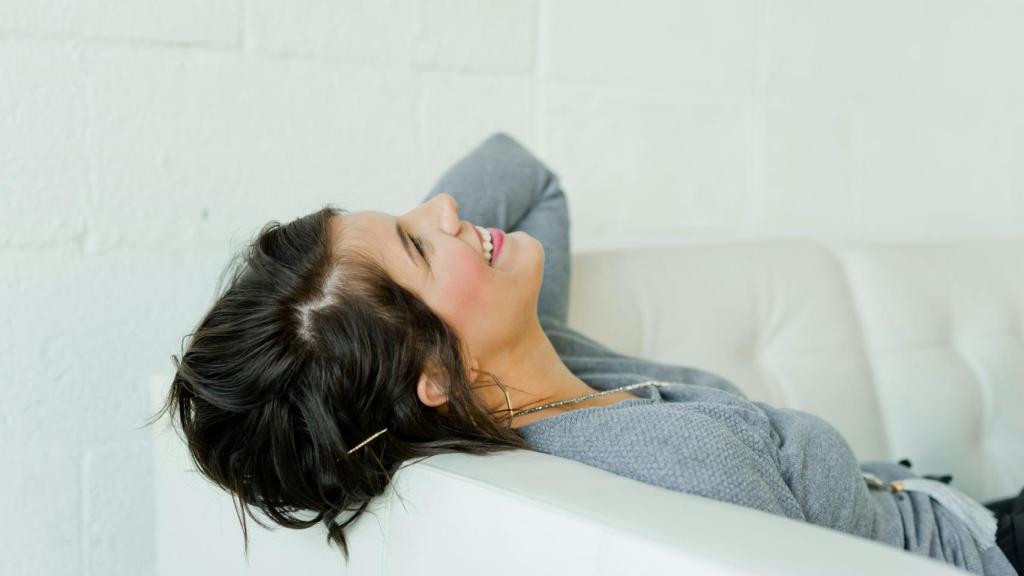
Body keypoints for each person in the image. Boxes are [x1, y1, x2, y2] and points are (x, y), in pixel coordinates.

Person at [155, 133, 1020, 575]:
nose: (447, 206)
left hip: (957, 500)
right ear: (425, 375)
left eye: (412, 214)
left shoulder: (521, 352)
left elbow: (525, 174)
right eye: (420, 245)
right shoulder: (670, 470)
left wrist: (383, 273)